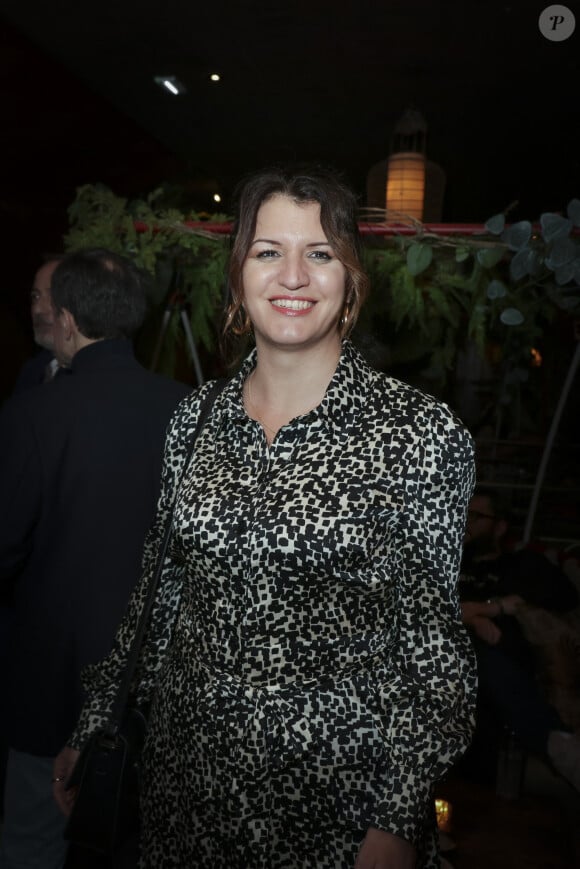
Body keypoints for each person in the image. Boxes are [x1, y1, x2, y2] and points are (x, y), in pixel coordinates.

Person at [55, 167, 477, 869]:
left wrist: (398, 816)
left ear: (351, 279)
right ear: (239, 275)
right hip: (184, 792)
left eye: (319, 253)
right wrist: (96, 719)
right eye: (266, 250)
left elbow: (431, 650)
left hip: (337, 807)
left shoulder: (422, 433)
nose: (293, 275)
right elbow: (159, 596)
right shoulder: (195, 419)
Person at [0, 248, 191, 869]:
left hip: (51, 676)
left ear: (68, 317)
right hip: (155, 679)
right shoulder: (190, 414)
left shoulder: (35, 413)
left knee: (33, 835)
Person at [459, 489, 580, 791]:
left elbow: (564, 595)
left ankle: (557, 746)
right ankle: (554, 744)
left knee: (484, 654)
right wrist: (473, 618)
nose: (465, 523)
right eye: (463, 514)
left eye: (476, 516)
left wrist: (492, 607)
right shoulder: (450, 565)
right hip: (450, 661)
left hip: (507, 664)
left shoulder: (522, 564)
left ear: (500, 526)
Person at [12, 256, 64, 393]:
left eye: (52, 296)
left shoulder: (91, 372)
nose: (37, 309)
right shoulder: (32, 370)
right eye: (35, 297)